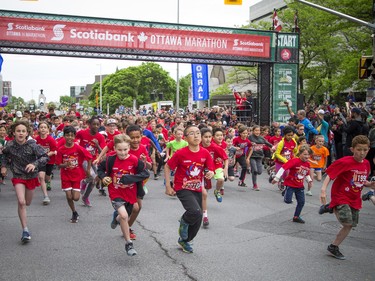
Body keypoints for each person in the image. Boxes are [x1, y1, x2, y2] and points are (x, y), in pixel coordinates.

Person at [320, 135, 374, 260]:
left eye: (365, 150)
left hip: (354, 198)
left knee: (350, 225)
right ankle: (332, 206)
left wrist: (369, 184)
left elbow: (362, 180)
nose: (362, 153)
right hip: (341, 196)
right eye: (359, 149)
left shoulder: (366, 164)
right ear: (352, 149)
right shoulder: (345, 161)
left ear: (368, 150)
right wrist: (323, 189)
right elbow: (330, 174)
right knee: (346, 220)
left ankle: (333, 246)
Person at [164, 125, 214, 253]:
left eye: (198, 133)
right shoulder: (181, 153)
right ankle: (184, 221)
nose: (196, 135)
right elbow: (168, 167)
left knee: (198, 219)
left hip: (197, 188)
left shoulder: (205, 153)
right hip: (183, 187)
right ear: (186, 138)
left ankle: (184, 241)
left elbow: (210, 168)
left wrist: (210, 173)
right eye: (192, 133)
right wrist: (168, 187)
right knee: (195, 211)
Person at [97, 134, 150, 256]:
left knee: (127, 214)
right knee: (124, 216)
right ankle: (128, 243)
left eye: (125, 149)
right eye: (119, 150)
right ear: (114, 148)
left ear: (129, 148)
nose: (122, 152)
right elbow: (100, 168)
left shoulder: (134, 160)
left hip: (130, 192)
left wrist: (129, 179)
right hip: (115, 192)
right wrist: (104, 177)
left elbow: (145, 173)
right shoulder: (110, 159)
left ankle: (117, 219)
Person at [0, 121, 49, 243]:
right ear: (13, 132)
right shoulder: (10, 145)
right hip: (18, 176)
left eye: (23, 131)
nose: (21, 133)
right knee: (21, 202)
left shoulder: (33, 145)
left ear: (27, 133)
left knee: (27, 202)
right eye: (18, 131)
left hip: (31, 176)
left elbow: (45, 157)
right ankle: (25, 230)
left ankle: (24, 224)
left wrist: (34, 164)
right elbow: (4, 155)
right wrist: (4, 166)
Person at [56, 126, 93, 223]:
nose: (69, 138)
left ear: (75, 137)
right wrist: (65, 164)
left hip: (77, 176)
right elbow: (58, 165)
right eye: (67, 135)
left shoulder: (78, 148)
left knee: (76, 198)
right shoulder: (61, 150)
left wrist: (88, 170)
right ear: (64, 136)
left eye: (72, 136)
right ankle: (74, 212)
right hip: (66, 176)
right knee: (69, 196)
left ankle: (82, 189)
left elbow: (89, 157)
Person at [272, 145, 313, 224]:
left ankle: (296, 217)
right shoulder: (294, 161)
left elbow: (307, 173)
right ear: (300, 154)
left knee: (301, 202)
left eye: (308, 154)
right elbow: (283, 168)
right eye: (305, 154)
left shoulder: (307, 164)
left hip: (300, 186)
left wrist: (309, 180)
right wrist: (276, 178)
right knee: (288, 201)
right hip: (291, 184)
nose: (307, 156)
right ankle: (285, 193)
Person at [200, 127, 228, 226]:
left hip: (216, 166)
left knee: (220, 179)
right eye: (205, 137)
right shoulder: (198, 146)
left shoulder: (215, 147)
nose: (208, 139)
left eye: (209, 137)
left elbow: (225, 158)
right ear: (201, 137)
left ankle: (217, 191)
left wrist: (225, 169)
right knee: (204, 194)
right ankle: (203, 215)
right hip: (204, 170)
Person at [35, 121, 57, 204]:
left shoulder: (51, 139)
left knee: (47, 178)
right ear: (38, 129)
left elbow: (54, 150)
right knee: (41, 177)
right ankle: (46, 196)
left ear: (48, 129)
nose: (43, 129)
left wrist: (46, 155)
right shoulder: (36, 139)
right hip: (40, 161)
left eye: (45, 127)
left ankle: (49, 179)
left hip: (49, 161)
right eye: (41, 127)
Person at [248, 125, 272, 191]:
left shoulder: (261, 138)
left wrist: (274, 147)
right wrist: (250, 143)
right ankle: (255, 185)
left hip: (259, 156)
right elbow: (246, 143)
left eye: (258, 130)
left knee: (259, 172)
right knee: (255, 171)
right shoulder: (250, 137)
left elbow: (268, 144)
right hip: (252, 156)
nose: (257, 132)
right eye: (256, 130)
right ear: (253, 131)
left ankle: (253, 170)